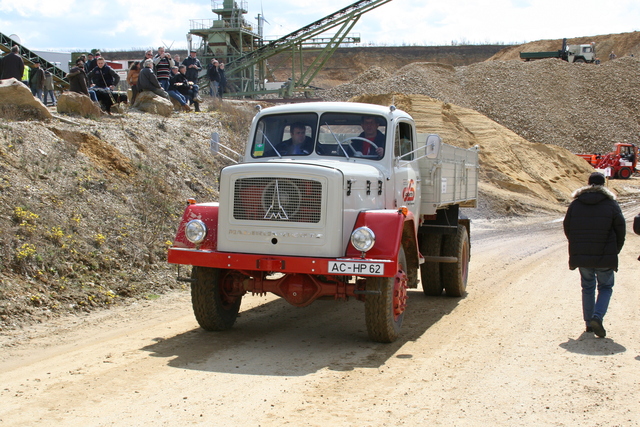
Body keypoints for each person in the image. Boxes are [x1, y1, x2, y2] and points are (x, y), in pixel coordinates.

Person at [563, 172, 626, 338]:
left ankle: (589, 324)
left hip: (582, 255)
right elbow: (621, 230)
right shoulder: (611, 204)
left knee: (587, 287)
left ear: (588, 184)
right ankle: (597, 316)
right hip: (605, 254)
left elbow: (567, 228)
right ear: (603, 185)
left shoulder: (576, 204)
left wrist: (578, 246)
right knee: (605, 287)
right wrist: (615, 249)